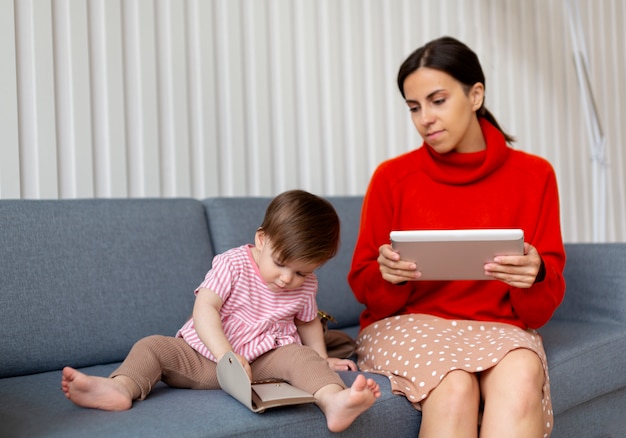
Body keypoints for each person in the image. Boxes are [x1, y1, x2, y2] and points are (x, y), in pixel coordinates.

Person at [348, 36, 565, 437]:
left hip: (501, 328)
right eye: (414, 107)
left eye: (438, 100)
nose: (424, 118)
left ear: (476, 95)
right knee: (453, 386)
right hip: (408, 325)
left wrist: (535, 276)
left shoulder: (535, 177)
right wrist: (388, 277)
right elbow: (365, 286)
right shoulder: (391, 179)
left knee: (520, 380)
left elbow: (538, 312)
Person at [62, 189, 381, 433]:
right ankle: (121, 388)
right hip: (201, 357)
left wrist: (321, 357)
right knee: (151, 346)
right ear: (261, 240)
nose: (288, 279)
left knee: (303, 357)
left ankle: (332, 401)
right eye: (281, 264)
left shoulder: (306, 285)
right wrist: (226, 355)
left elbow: (309, 322)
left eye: (301, 272)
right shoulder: (233, 264)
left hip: (262, 363)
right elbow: (205, 309)